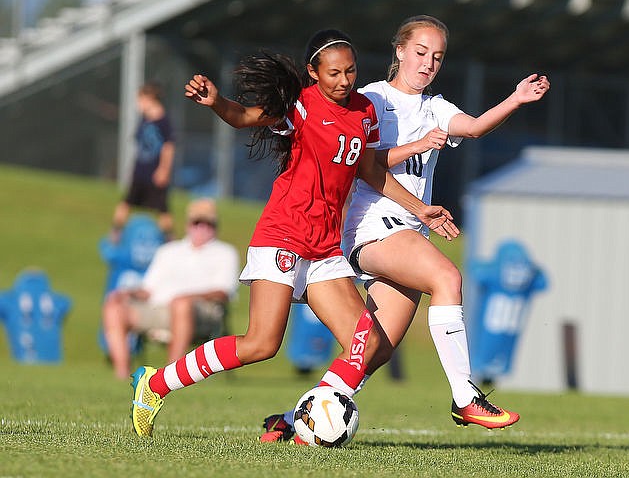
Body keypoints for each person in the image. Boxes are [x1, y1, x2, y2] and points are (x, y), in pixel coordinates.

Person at [128, 29, 459, 437]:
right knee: (261, 344)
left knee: (369, 343)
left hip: (324, 247)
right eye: (334, 73)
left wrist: (420, 209)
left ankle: (299, 422)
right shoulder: (300, 107)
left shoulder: (364, 112)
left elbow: (371, 171)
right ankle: (154, 384)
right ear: (313, 73)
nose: (343, 81)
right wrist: (216, 102)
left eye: (350, 71)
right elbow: (243, 117)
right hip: (283, 236)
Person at [261, 15, 550, 443]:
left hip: (409, 229)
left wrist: (514, 99)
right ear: (399, 51)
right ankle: (465, 396)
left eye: (437, 57)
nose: (428, 64)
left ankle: (290, 420)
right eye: (420, 53)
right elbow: (363, 167)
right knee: (447, 277)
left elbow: (472, 127)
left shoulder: (435, 106)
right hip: (371, 226)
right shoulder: (370, 100)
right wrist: (416, 147)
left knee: (372, 351)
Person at [103, 198, 239, 379]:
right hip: (159, 309)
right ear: (188, 225)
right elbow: (147, 289)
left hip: (202, 312)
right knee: (113, 307)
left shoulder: (225, 253)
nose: (202, 228)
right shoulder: (168, 251)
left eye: (208, 224)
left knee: (181, 304)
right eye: (197, 223)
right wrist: (126, 293)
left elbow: (223, 292)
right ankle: (122, 375)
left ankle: (171, 377)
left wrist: (186, 298)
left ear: (215, 226)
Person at [111, 82, 176, 242]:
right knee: (126, 202)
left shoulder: (163, 122)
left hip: (155, 173)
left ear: (150, 99)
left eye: (140, 100)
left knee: (162, 209)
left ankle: (169, 240)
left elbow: (168, 147)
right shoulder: (144, 119)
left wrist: (164, 170)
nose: (138, 104)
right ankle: (115, 235)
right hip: (140, 171)